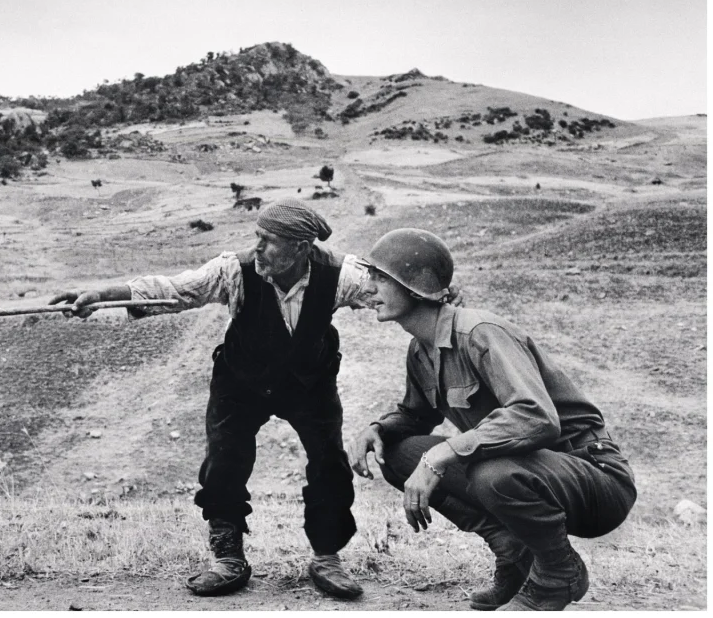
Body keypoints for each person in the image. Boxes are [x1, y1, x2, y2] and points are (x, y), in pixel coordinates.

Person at [51, 199, 455, 600]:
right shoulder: (235, 270)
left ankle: (326, 557)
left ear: (301, 247)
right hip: (241, 382)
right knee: (224, 461)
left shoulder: (340, 274)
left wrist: (439, 296)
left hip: (308, 383)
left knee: (329, 463)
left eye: (269, 241)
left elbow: (393, 291)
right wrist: (103, 295)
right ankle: (229, 559)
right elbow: (173, 291)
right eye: (256, 238)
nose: (257, 248)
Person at [347, 228, 636, 611]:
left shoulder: (480, 332)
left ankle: (557, 574)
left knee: (492, 473)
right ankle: (515, 554)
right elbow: (415, 416)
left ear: (414, 287)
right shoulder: (421, 351)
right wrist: (377, 430)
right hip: (528, 475)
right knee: (399, 453)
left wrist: (444, 455)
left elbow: (536, 417)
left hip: (594, 478)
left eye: (380, 278)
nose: (368, 289)